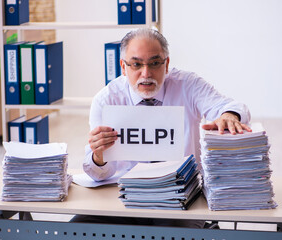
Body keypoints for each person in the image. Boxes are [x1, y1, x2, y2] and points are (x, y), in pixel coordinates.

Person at [72, 28, 252, 227]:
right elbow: (98, 174)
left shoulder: (187, 85)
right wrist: (99, 156)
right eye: (136, 64)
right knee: (75, 228)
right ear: (123, 67)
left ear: (166, 64)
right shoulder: (106, 100)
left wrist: (228, 115)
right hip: (124, 200)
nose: (146, 73)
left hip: (180, 199)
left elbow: (230, 106)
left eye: (155, 63)